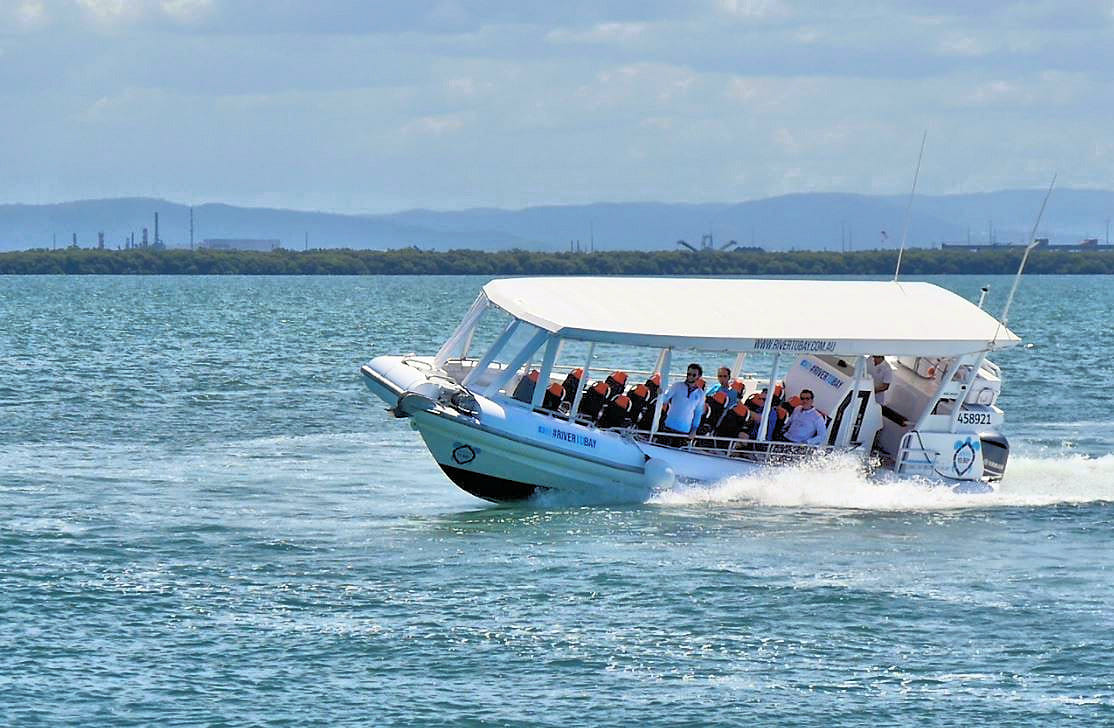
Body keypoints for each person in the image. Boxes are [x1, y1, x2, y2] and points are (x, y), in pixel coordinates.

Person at [659, 363, 706, 444]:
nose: (690, 376)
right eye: (688, 374)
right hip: (668, 427)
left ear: (699, 376)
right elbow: (665, 399)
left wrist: (694, 429)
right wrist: (660, 394)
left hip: (684, 431)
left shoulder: (700, 394)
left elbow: (698, 413)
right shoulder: (676, 386)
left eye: (693, 375)